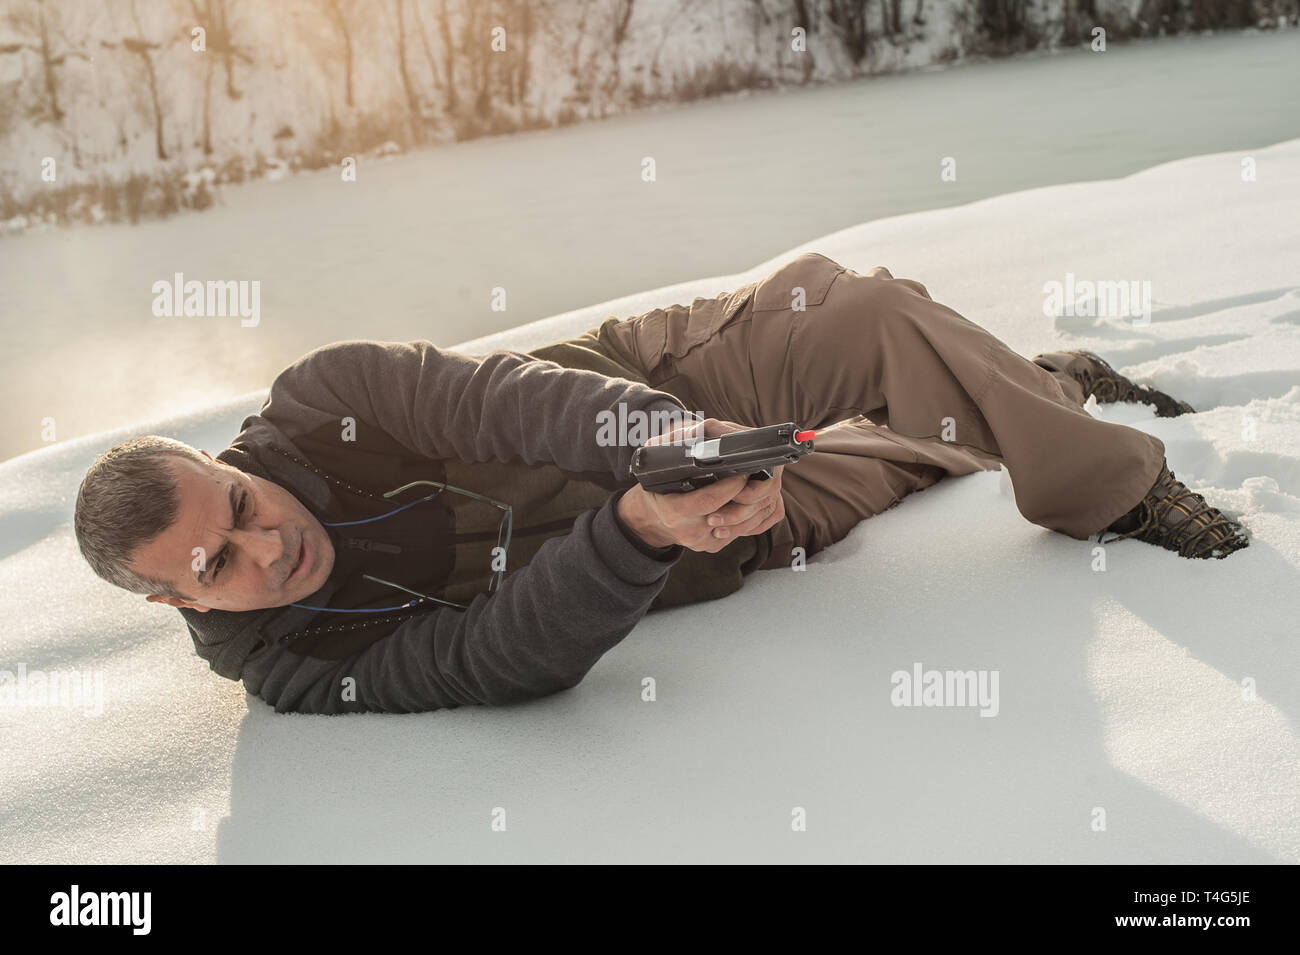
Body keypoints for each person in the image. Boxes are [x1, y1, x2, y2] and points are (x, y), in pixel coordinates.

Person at [73, 252, 1249, 715]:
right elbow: (487, 661)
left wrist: (666, 443)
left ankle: (1112, 488)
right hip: (671, 550)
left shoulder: (326, 395)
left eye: (237, 503)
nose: (266, 541)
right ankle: (1046, 381)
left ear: (226, 466)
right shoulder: (292, 668)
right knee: (904, 458)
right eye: (218, 564)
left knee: (865, 320)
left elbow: (503, 401)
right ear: (178, 603)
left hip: (639, 388)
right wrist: (643, 530)